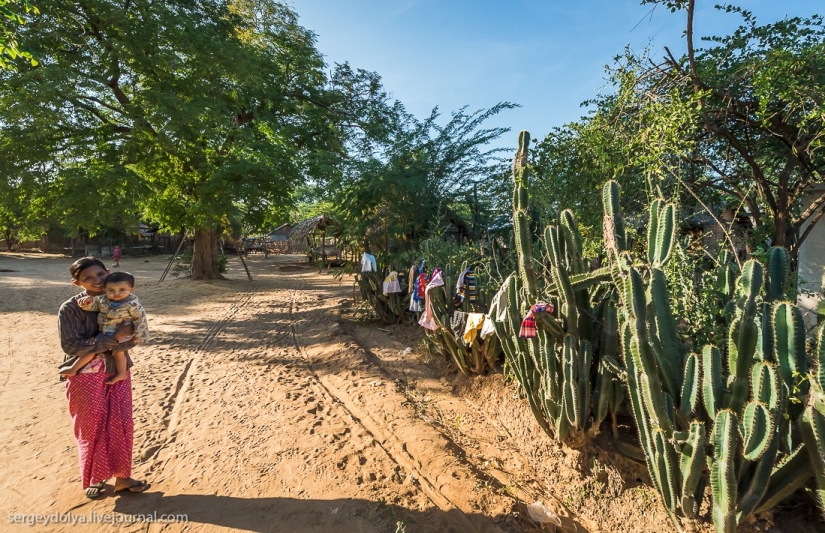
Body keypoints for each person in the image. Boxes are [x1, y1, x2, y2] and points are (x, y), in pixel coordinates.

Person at [57, 257, 150, 499]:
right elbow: (71, 346)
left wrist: (128, 336)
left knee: (121, 424)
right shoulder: (71, 308)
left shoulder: (122, 298)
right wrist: (112, 338)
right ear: (76, 283)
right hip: (85, 376)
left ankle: (122, 478)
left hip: (118, 370)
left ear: (108, 272)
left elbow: (133, 332)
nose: (96, 280)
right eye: (88, 278)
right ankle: (94, 479)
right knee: (90, 427)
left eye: (99, 274)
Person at [76, 271, 149, 385]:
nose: (116, 293)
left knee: (118, 352)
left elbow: (140, 320)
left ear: (131, 290)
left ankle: (121, 373)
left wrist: (140, 336)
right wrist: (86, 302)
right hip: (105, 332)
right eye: (111, 290)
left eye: (122, 290)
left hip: (123, 333)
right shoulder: (103, 300)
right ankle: (74, 368)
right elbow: (93, 306)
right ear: (105, 289)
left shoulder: (133, 305)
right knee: (94, 346)